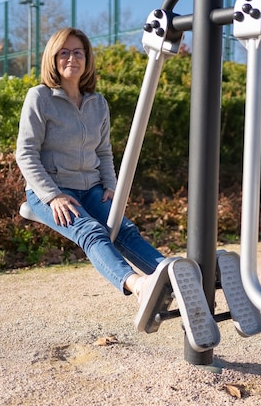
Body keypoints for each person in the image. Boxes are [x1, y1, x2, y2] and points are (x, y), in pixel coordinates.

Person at [15, 27, 167, 301]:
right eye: (64, 52)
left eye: (77, 52)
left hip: (91, 187)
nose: (71, 58)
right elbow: (26, 153)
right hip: (52, 190)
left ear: (86, 59)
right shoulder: (40, 97)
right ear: (53, 58)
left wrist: (111, 185)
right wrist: (53, 196)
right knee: (91, 230)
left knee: (124, 229)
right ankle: (139, 286)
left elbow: (103, 151)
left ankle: (168, 275)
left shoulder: (98, 103)